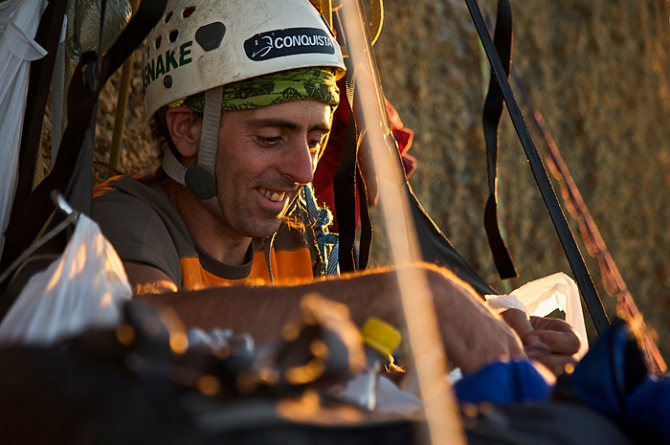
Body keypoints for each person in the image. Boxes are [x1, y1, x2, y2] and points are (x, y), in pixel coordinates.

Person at [91, 0, 579, 377]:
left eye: (316, 138)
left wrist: (489, 369)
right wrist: (401, 292)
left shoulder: (299, 237)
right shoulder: (122, 220)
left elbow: (359, 388)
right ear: (187, 130)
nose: (304, 171)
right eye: (270, 137)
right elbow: (144, 323)